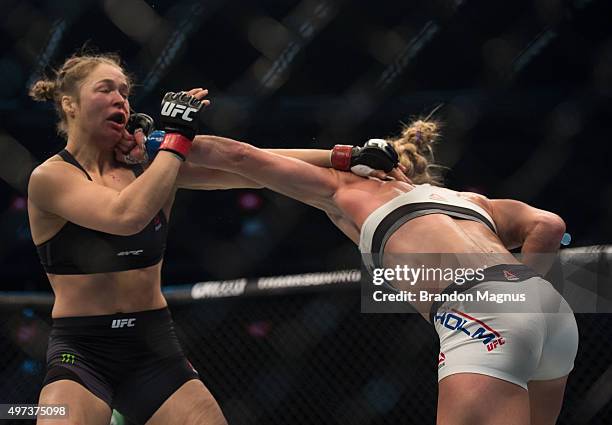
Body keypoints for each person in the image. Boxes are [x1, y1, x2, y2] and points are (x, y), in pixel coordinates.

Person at [27, 51, 382, 425]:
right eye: (105, 89)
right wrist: (175, 141)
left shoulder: (153, 165)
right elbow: (125, 216)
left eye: (125, 91)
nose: (120, 99)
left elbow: (256, 166)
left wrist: (344, 157)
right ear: (69, 103)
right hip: (82, 352)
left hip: (152, 348)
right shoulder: (51, 178)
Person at [178, 122, 579, 425]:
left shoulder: (349, 189)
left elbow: (241, 158)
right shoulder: (469, 200)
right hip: (552, 314)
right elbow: (550, 225)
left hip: (480, 315)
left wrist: (167, 140)